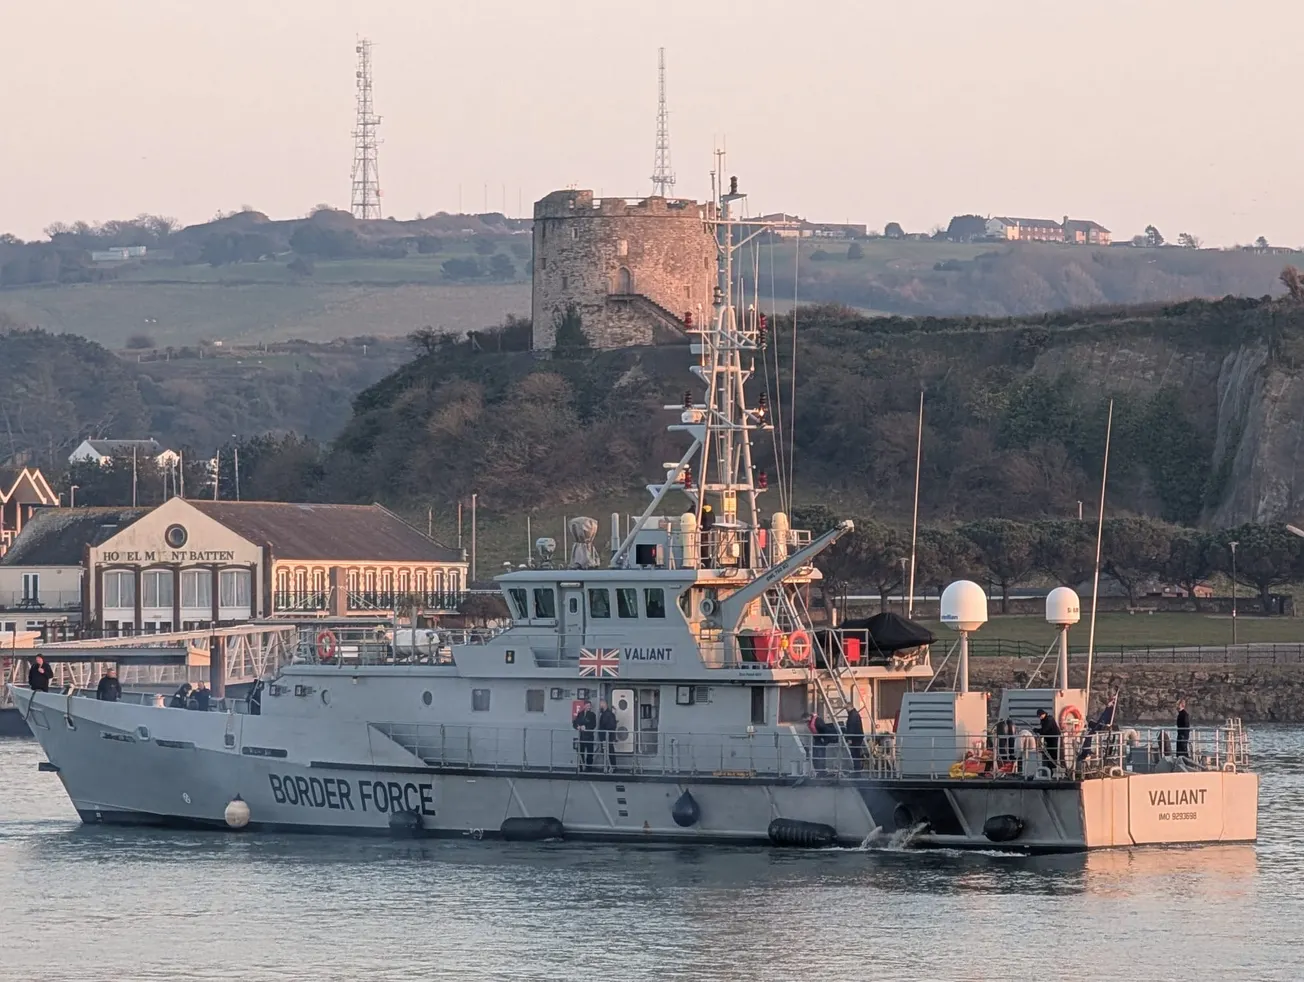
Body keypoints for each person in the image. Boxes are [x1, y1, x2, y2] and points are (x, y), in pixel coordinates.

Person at [572, 699, 597, 771]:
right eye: (588, 705)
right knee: (581, 752)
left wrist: (586, 727)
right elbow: (575, 723)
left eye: (590, 706)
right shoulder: (580, 714)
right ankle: (581, 767)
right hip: (581, 736)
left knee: (590, 753)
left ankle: (589, 768)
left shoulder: (592, 715)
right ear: (584, 706)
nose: (589, 707)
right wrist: (577, 727)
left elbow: (593, 725)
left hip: (589, 736)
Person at [1036, 709, 1061, 773]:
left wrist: (1037, 730)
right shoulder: (1044, 720)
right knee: (1050, 755)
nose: (1040, 717)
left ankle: (1054, 770)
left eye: (1040, 715)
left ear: (1043, 714)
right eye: (1039, 716)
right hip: (1049, 740)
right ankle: (1051, 771)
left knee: (1053, 755)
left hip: (1054, 740)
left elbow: (1044, 730)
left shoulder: (1049, 719)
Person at [597, 699, 618, 770]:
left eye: (600, 704)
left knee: (609, 751)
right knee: (607, 751)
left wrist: (606, 732)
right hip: (606, 736)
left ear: (604, 704)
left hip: (607, 737)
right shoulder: (606, 714)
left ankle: (612, 766)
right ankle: (609, 766)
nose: (600, 706)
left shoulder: (608, 714)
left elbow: (611, 725)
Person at [844, 705, 866, 770]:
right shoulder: (854, 714)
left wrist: (849, 738)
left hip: (855, 737)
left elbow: (851, 727)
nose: (846, 710)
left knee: (855, 753)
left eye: (846, 708)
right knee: (856, 752)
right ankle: (858, 766)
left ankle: (857, 768)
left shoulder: (852, 715)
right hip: (857, 736)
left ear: (850, 707)